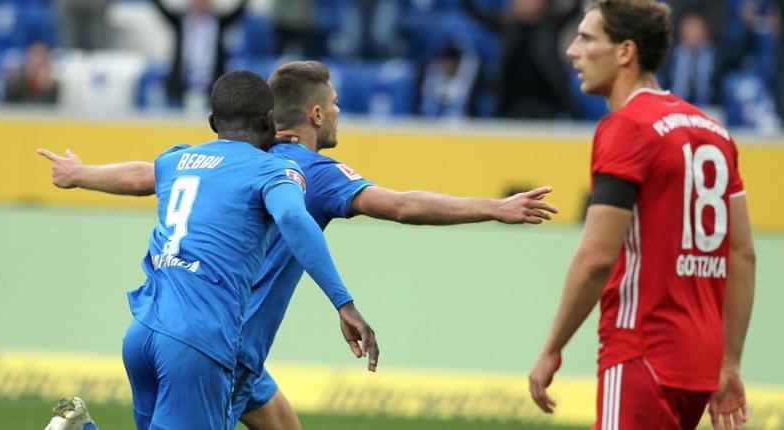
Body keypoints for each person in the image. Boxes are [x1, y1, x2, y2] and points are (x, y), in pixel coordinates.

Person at [38, 60, 558, 430]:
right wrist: (495, 207)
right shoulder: (297, 172)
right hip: (217, 341)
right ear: (314, 115)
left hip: (155, 323)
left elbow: (143, 172)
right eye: (333, 104)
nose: (338, 111)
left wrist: (80, 173)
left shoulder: (198, 157)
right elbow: (401, 205)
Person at [40, 70, 378, 430]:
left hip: (142, 331)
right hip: (196, 339)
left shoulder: (177, 161)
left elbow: (139, 176)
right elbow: (294, 219)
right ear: (268, 121)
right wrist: (344, 303)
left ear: (213, 122)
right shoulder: (273, 169)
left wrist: (79, 174)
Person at [527, 2, 755, 430]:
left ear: (625, 52)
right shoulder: (714, 131)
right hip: (700, 364)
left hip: (640, 352)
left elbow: (597, 257)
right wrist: (730, 361)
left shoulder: (627, 127)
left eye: (587, 38)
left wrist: (552, 347)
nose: (573, 51)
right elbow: (742, 253)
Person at [149, 0, 248, 107]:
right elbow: (162, 9)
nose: (199, 3)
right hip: (180, 86)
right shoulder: (180, 22)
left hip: (212, 87)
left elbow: (238, 12)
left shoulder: (218, 22)